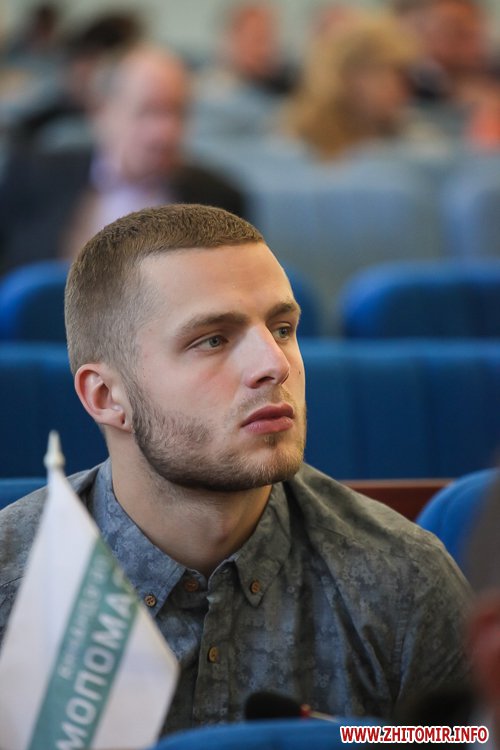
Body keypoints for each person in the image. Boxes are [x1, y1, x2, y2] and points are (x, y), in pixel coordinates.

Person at [0, 204, 470, 734]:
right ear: (107, 396)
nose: (274, 364)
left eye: (283, 328)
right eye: (214, 340)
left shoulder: (403, 582)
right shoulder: (12, 585)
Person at [0, 44, 244, 273]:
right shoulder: (34, 176)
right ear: (103, 112)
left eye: (177, 112)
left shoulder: (218, 200)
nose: (165, 132)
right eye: (148, 111)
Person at [283, 14, 422, 160]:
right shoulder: (301, 139)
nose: (405, 91)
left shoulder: (408, 134)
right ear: (355, 75)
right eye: (397, 76)